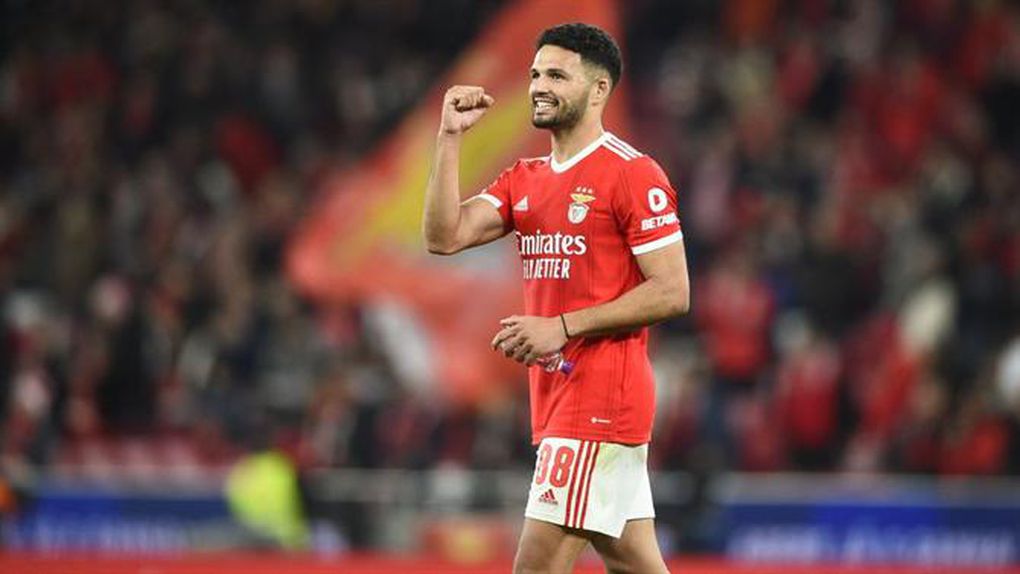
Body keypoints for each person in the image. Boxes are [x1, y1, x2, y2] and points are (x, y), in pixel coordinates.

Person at [422, 22, 689, 574]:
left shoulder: (632, 174)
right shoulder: (526, 178)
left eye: (557, 76)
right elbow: (443, 237)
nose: (540, 86)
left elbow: (673, 290)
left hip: (600, 403)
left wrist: (560, 326)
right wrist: (448, 138)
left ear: (599, 89)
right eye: (536, 74)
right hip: (559, 401)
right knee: (634, 563)